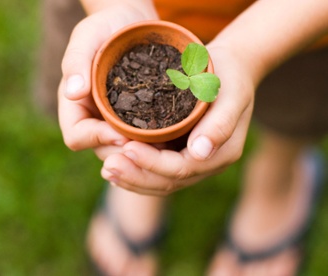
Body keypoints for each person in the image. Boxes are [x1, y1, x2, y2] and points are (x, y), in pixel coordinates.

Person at [38, 0, 328, 274]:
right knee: (133, 152)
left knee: (294, 106)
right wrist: (118, 7)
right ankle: (136, 174)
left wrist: (248, 51)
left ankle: (276, 179)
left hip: (292, 22)